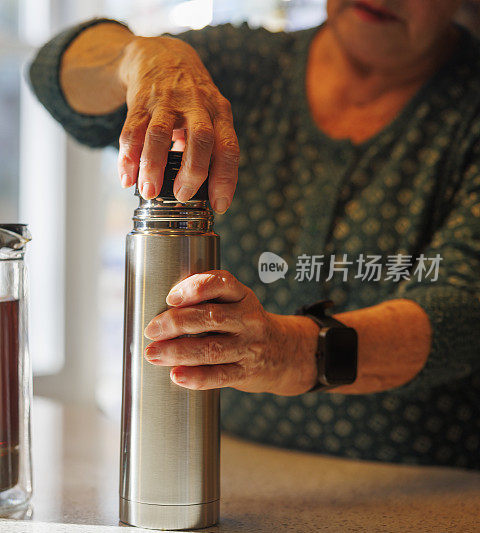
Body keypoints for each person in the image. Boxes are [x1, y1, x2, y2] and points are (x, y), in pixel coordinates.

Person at [27, 0, 480, 469]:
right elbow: (51, 71)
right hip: (222, 466)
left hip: (427, 483)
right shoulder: (240, 65)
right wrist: (140, 58)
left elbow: (464, 312)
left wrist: (291, 352)